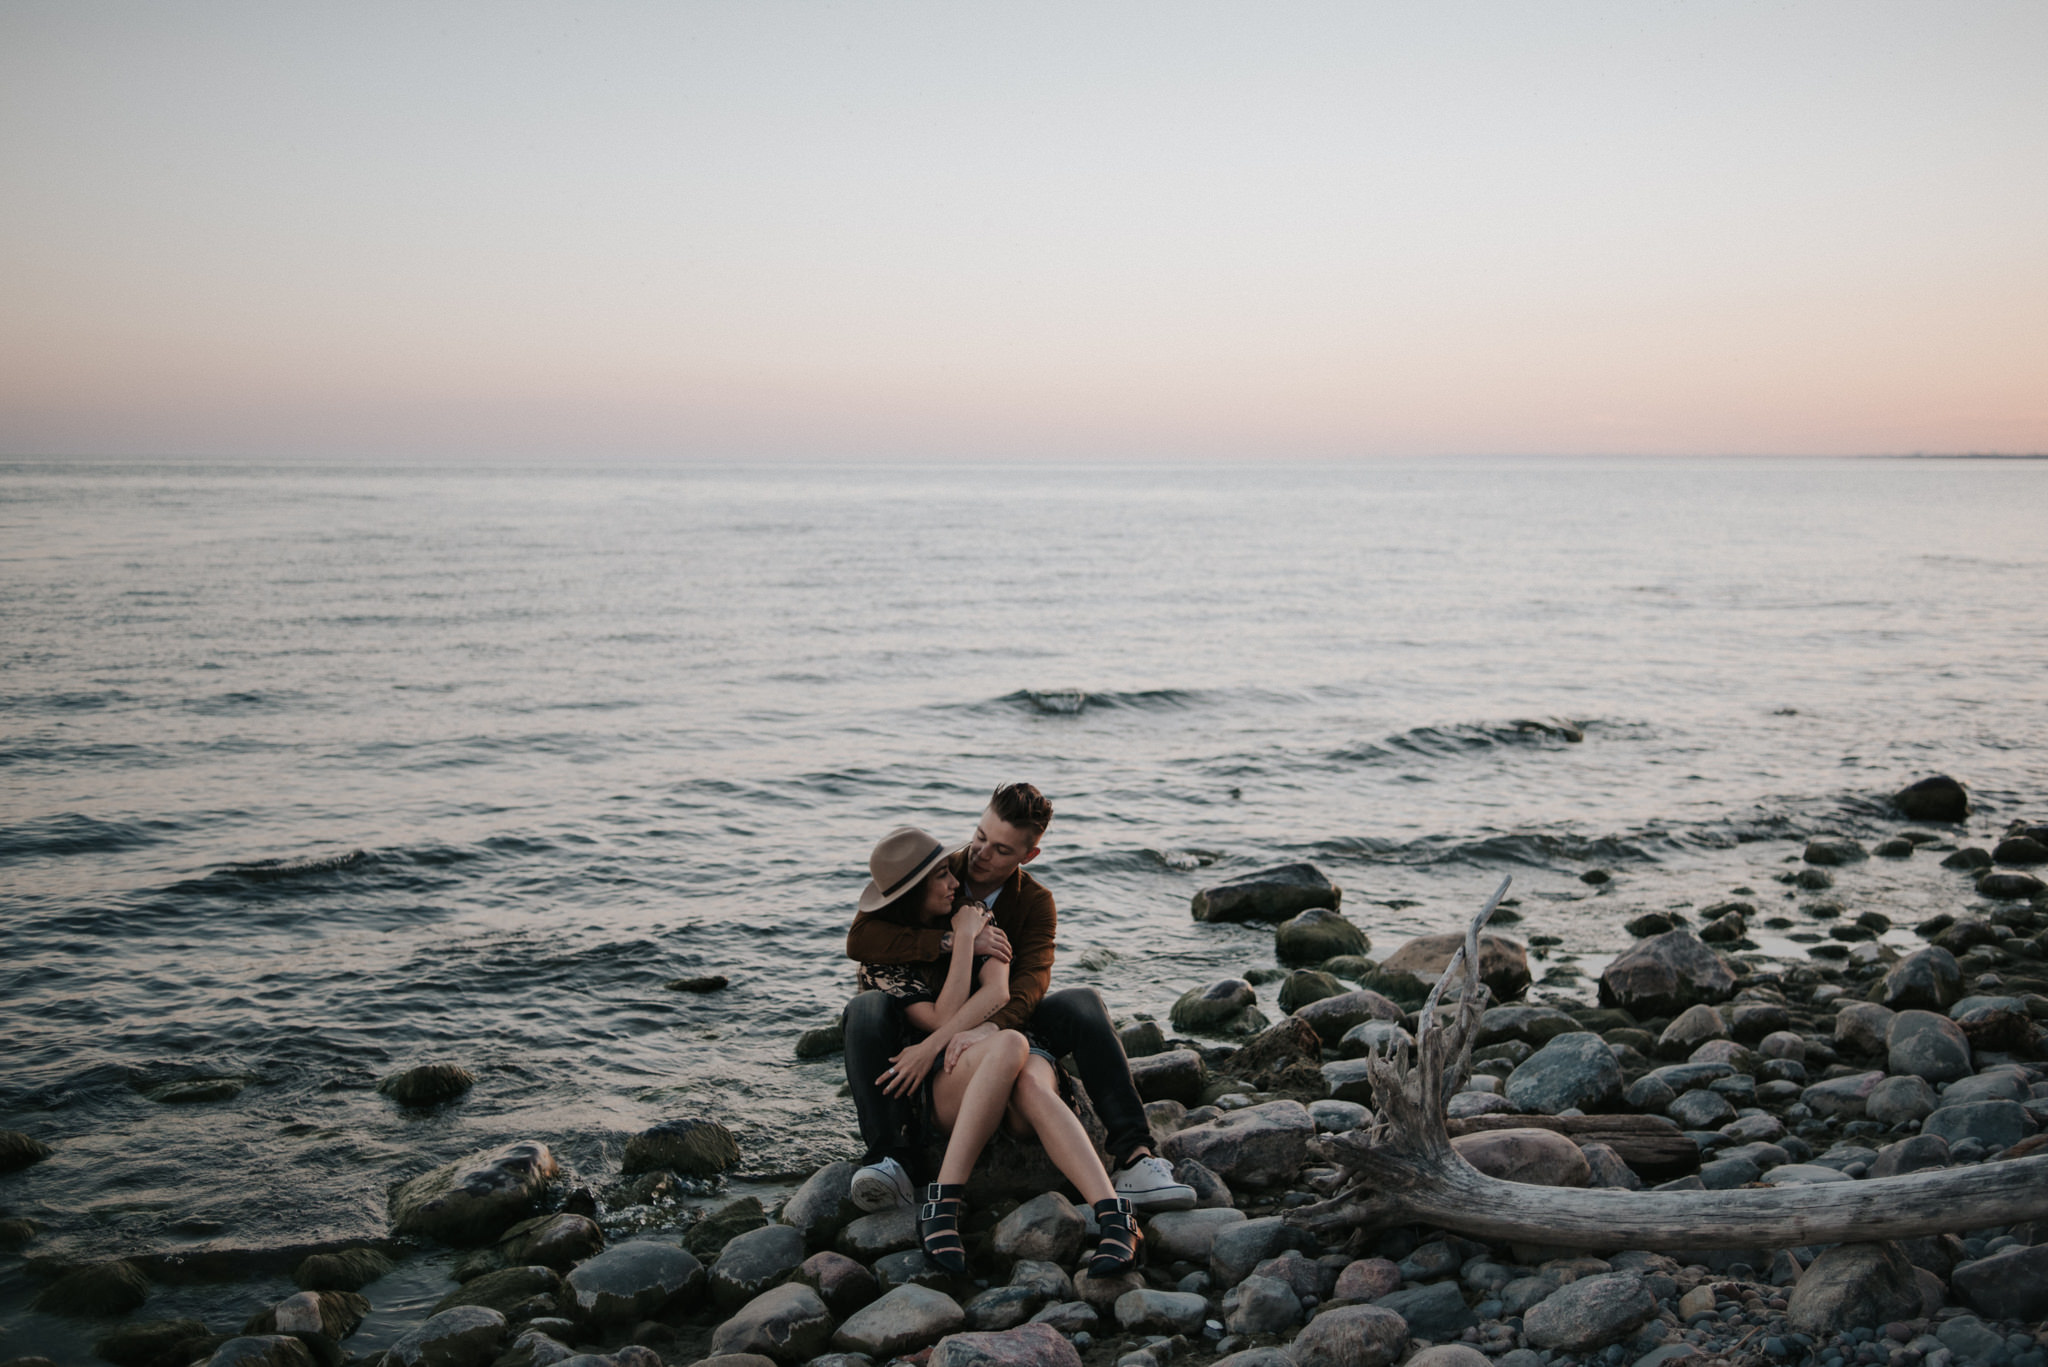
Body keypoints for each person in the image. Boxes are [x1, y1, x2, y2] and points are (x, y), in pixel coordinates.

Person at [841, 783, 1195, 1218]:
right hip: (925, 1014)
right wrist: (954, 939)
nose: (981, 854)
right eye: (980, 835)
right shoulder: (935, 869)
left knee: (1082, 1002)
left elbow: (1029, 984)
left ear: (1028, 857)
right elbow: (861, 937)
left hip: (1003, 1022)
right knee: (863, 1009)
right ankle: (889, 1159)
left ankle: (1135, 1157)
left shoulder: (1036, 904)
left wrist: (990, 1026)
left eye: (1001, 850)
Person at [847, 825, 1141, 1275]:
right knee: (1010, 1043)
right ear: (911, 894)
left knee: (1017, 1055)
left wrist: (952, 1038)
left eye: (950, 872)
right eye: (942, 876)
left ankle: (1115, 1218)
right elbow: (945, 1017)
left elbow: (999, 993)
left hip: (1000, 1061)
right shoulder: (888, 956)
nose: (955, 882)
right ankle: (943, 1198)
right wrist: (962, 941)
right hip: (949, 1083)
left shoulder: (975, 912)